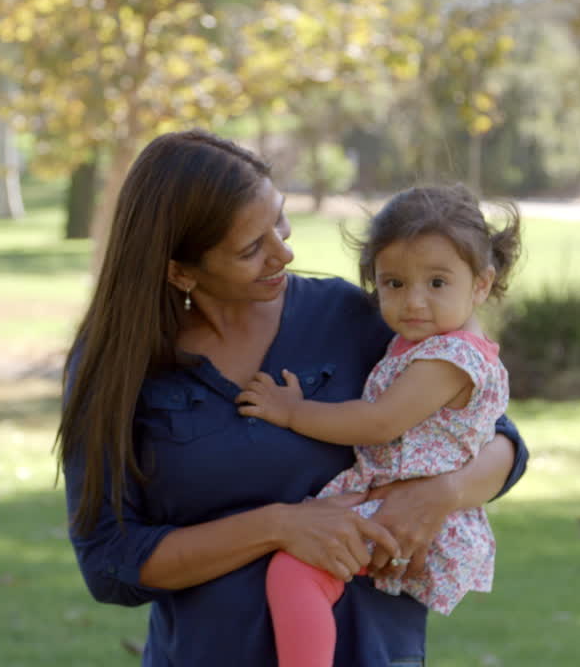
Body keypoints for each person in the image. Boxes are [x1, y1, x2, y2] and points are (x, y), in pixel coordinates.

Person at [59, 130, 529, 667]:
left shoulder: (350, 319)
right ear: (181, 270)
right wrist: (278, 526)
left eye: (279, 221)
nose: (284, 252)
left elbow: (498, 438)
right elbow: (110, 562)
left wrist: (442, 493)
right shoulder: (120, 367)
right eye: (250, 249)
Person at [235, 184, 519, 667]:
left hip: (404, 512)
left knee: (294, 573)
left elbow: (378, 423)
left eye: (437, 283)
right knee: (309, 571)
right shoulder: (432, 341)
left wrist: (291, 412)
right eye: (394, 283)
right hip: (390, 499)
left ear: (480, 284)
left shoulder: (449, 358)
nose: (414, 302)